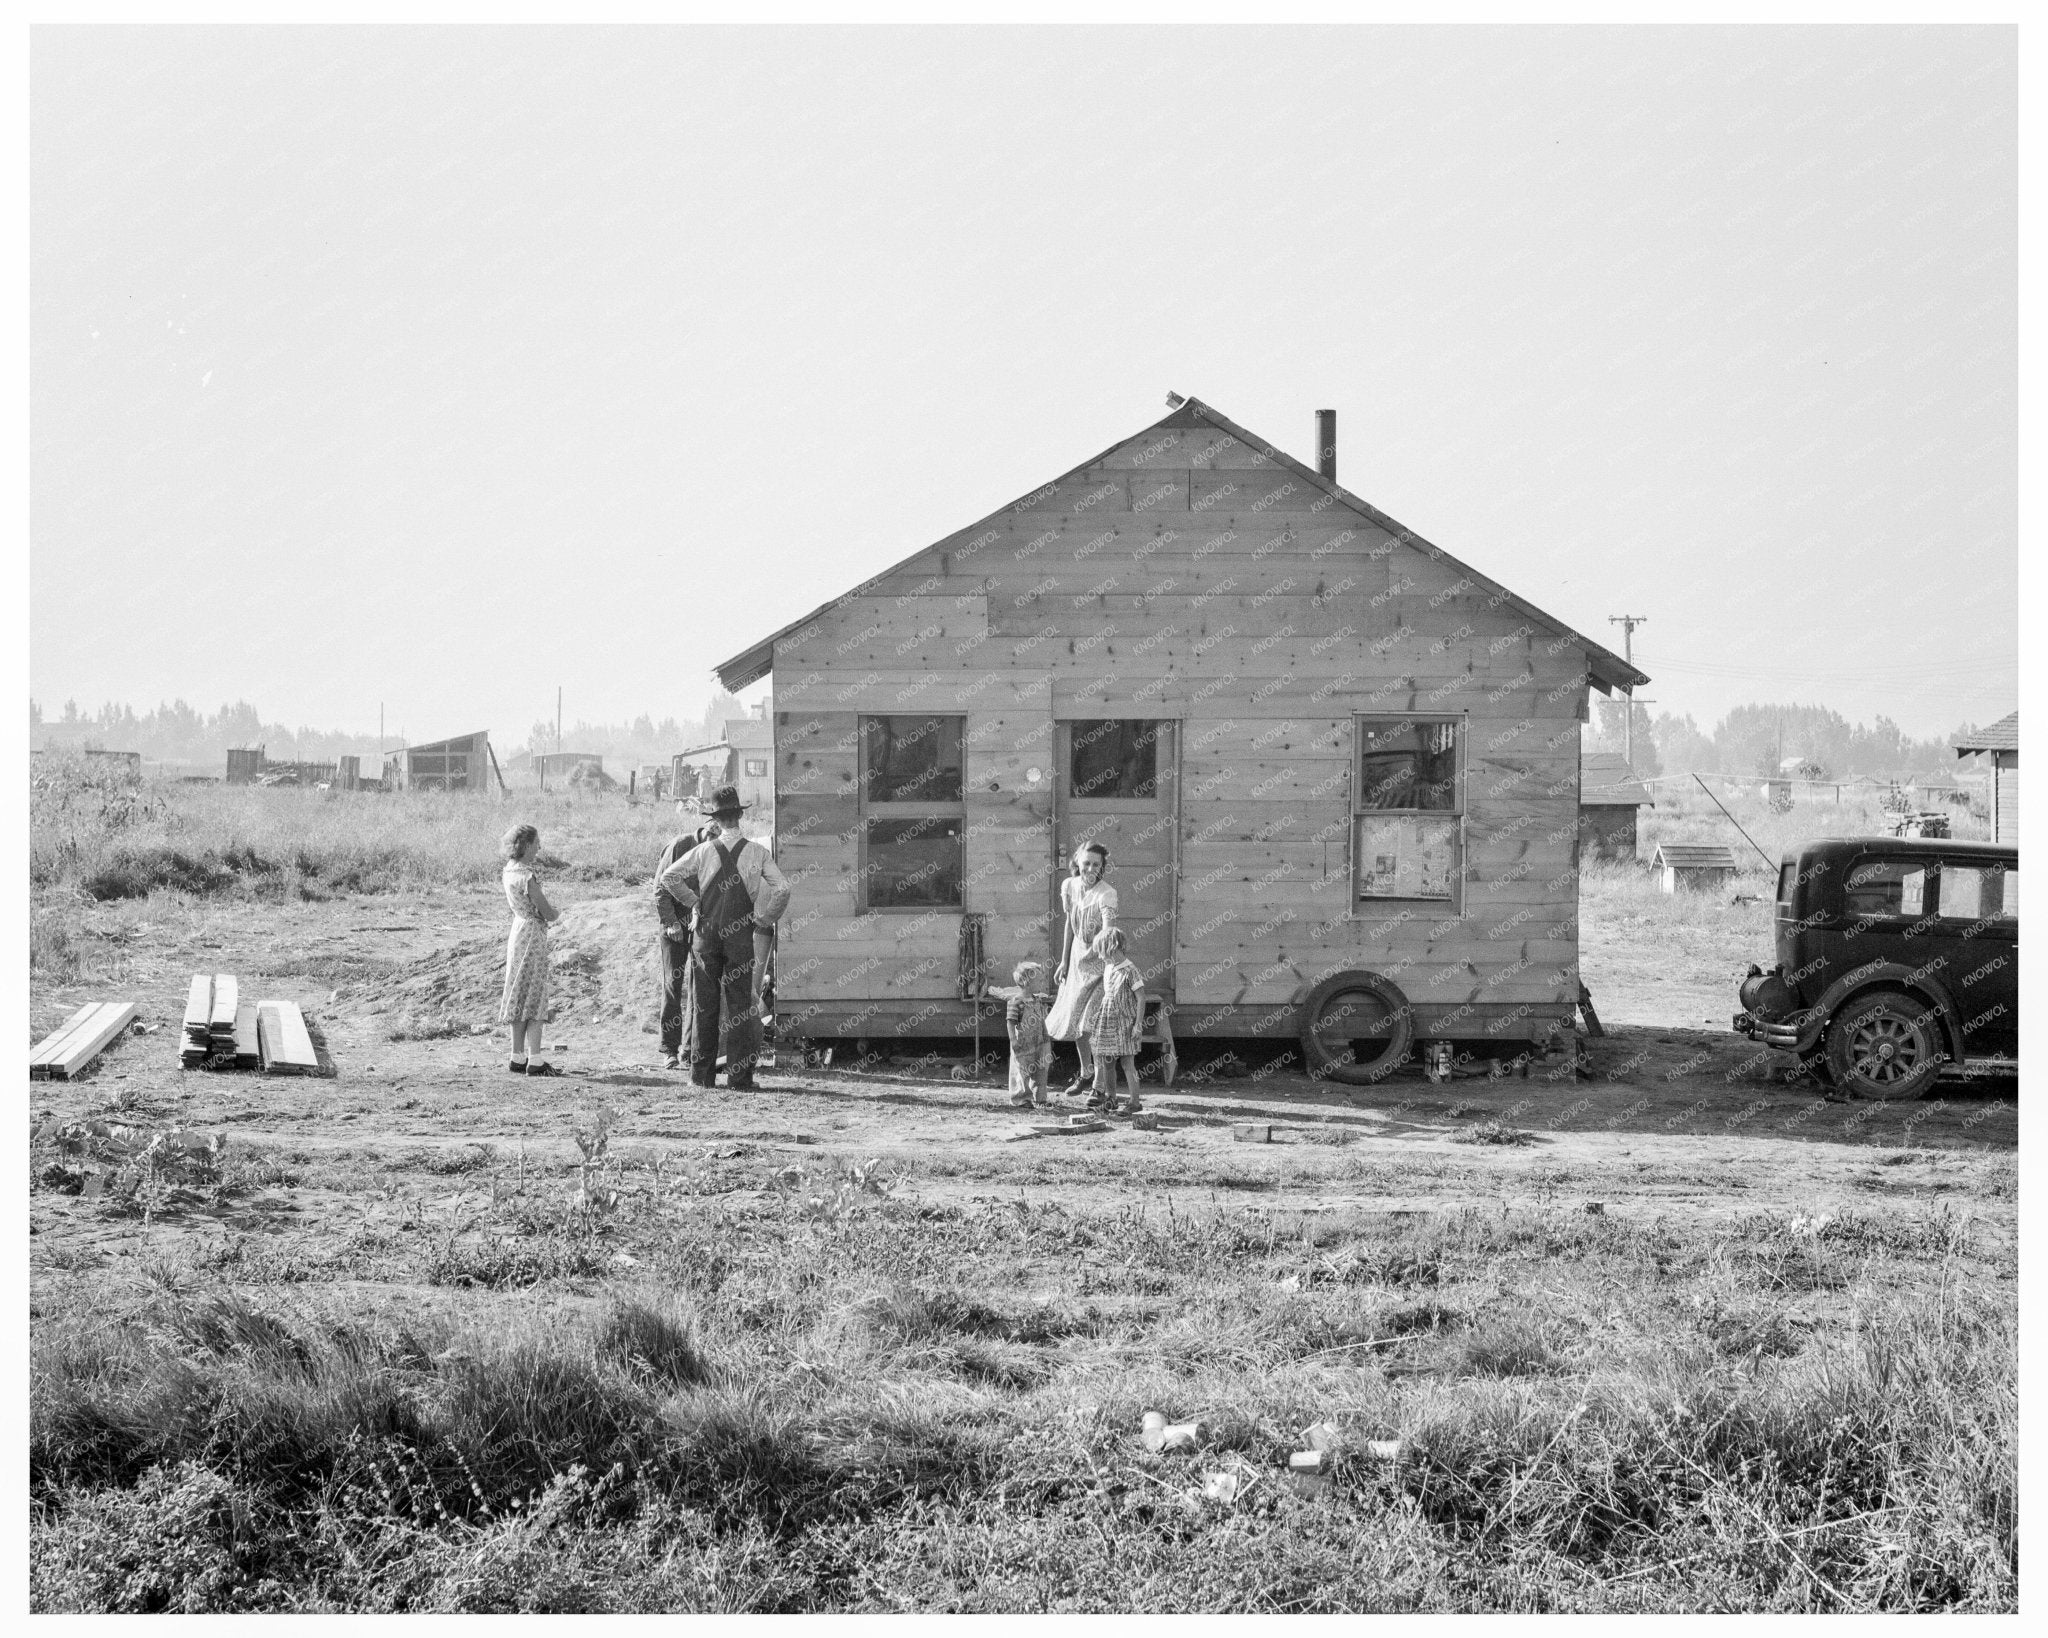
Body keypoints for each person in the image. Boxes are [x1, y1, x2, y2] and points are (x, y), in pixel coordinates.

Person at [656, 785, 791, 1090]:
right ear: (740, 816)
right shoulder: (757, 852)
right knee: (741, 1006)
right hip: (740, 937)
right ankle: (740, 1078)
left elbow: (668, 878)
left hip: (705, 936)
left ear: (715, 821)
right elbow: (783, 889)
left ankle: (701, 1077)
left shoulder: (702, 851)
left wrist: (694, 902)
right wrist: (766, 917)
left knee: (704, 1005)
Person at [1046, 841, 1117, 1095]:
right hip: (1077, 960)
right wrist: (1064, 961)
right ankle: (1086, 1073)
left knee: (1092, 1023)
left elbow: (1109, 929)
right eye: (1086, 863)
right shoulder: (1070, 886)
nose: (1090, 869)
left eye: (1096, 865)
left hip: (1099, 963)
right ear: (1077, 862)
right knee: (1076, 1022)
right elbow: (1069, 925)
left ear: (1102, 867)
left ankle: (1099, 1085)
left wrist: (1111, 963)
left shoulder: (1106, 893)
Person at [653, 802, 720, 1070]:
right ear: (705, 833)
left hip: (700, 923)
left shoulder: (719, 851)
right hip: (674, 923)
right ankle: (669, 1048)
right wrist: (671, 923)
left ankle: (691, 1049)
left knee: (699, 986)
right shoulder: (680, 846)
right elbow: (660, 889)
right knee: (673, 984)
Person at [498, 823, 563, 1076]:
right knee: (535, 994)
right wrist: (557, 913)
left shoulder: (508, 871)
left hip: (518, 930)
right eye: (536, 843)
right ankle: (535, 1058)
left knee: (518, 990)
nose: (539, 847)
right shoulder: (527, 876)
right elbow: (547, 912)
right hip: (533, 934)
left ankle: (517, 1055)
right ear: (525, 845)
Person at [1089, 925, 1145, 1116]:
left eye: (1101, 952)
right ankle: (1110, 1099)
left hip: (1126, 1024)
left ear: (1111, 948)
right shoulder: (1108, 968)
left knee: (1127, 1063)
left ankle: (1135, 1102)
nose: (1100, 956)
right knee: (1107, 1062)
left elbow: (1141, 998)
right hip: (1108, 1023)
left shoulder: (1130, 970)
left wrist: (1138, 1024)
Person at [1005, 960, 1053, 1109]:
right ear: (1026, 981)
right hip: (1023, 1043)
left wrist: (1047, 1039)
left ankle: (1041, 1098)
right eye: (1038, 980)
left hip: (1039, 1041)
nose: (1042, 982)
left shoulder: (1038, 1000)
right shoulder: (1016, 1002)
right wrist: (1013, 1040)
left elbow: (1042, 1021)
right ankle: (1021, 1098)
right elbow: (1011, 1022)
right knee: (1022, 1071)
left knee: (1041, 1069)